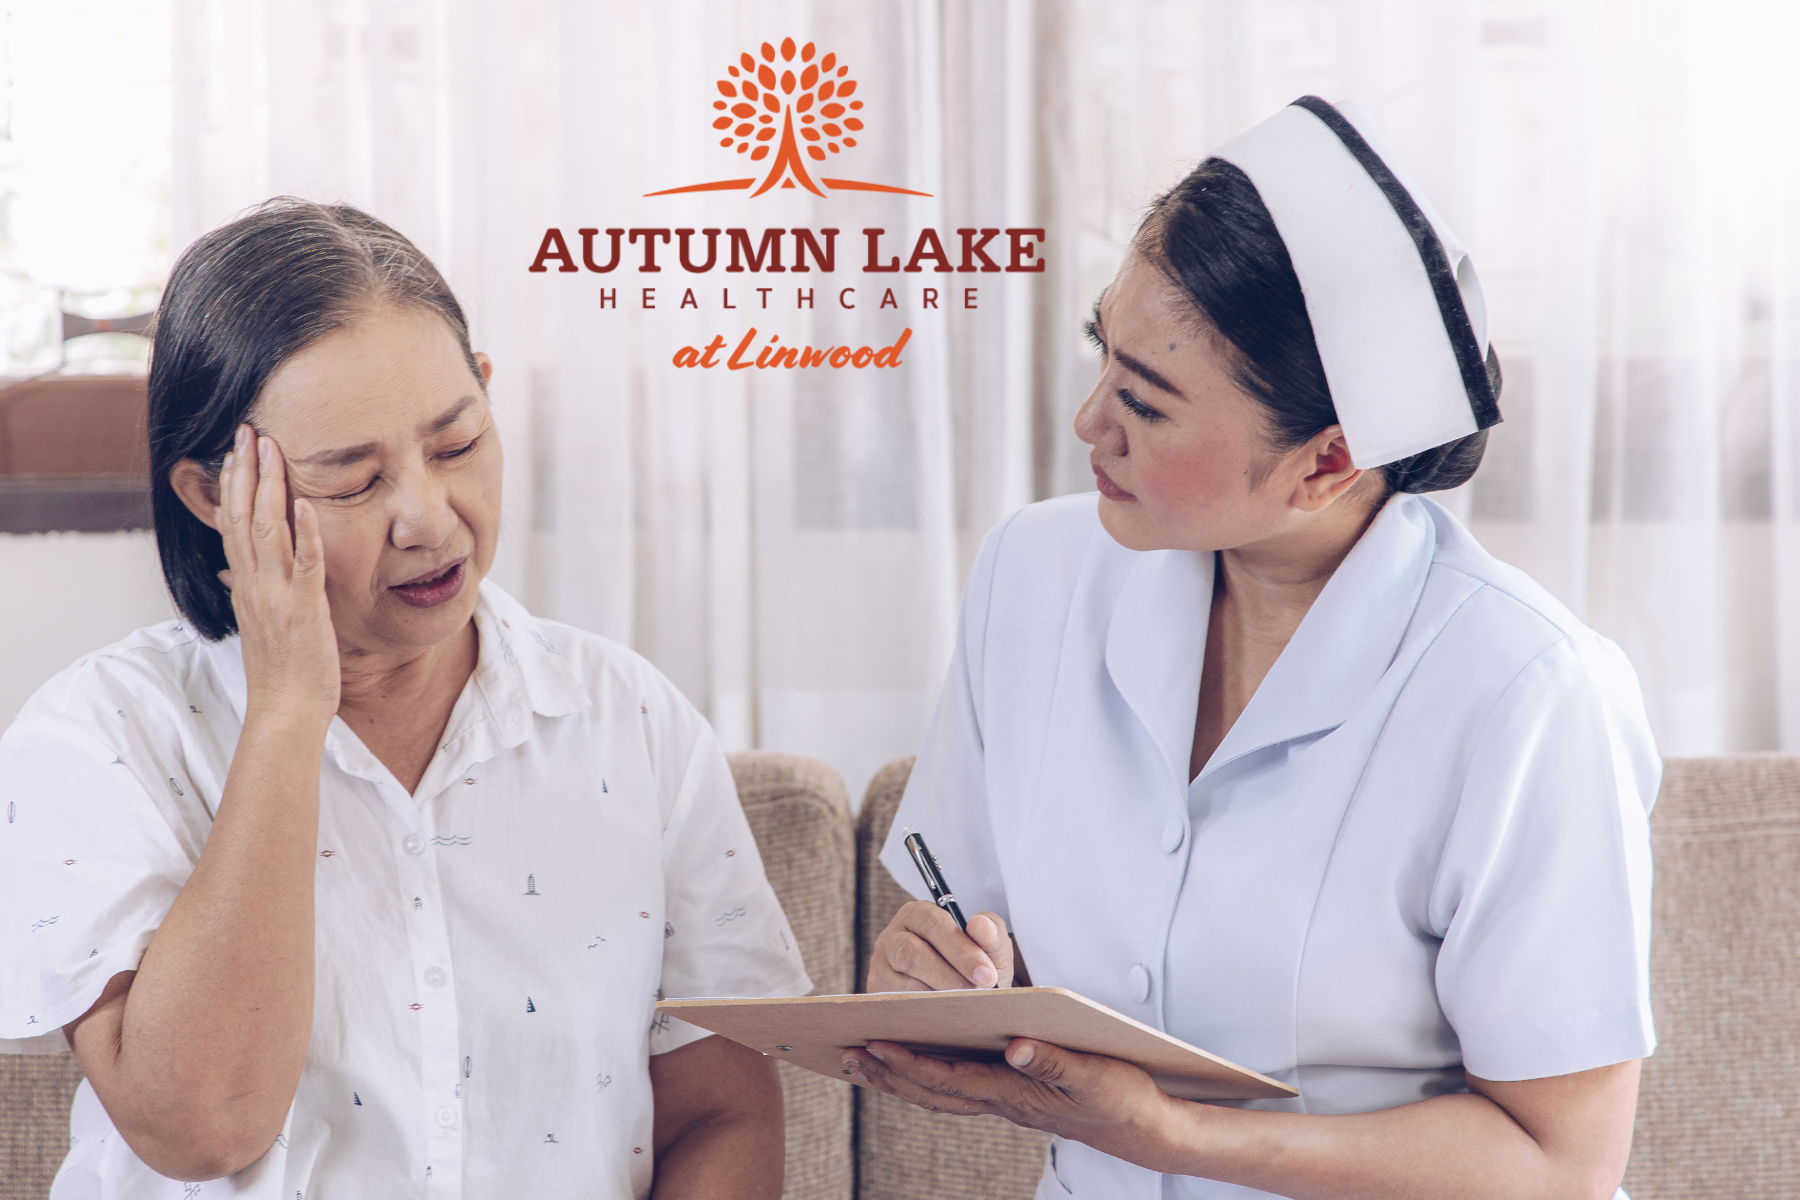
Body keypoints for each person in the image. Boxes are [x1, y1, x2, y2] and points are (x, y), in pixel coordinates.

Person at [855, 97, 1656, 1200]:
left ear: (1327, 463)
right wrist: (947, 975)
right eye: (1104, 355)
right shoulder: (1031, 576)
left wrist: (1171, 1134)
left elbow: (1561, 1160)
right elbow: (987, 933)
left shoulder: (1524, 693)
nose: (1091, 423)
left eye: (1147, 402)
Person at [0, 199, 810, 1200]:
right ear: (213, 496)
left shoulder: (633, 724)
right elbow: (200, 1126)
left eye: (458, 442)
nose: (427, 519)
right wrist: (291, 708)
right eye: (351, 482)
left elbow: (720, 1112)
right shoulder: (98, 738)